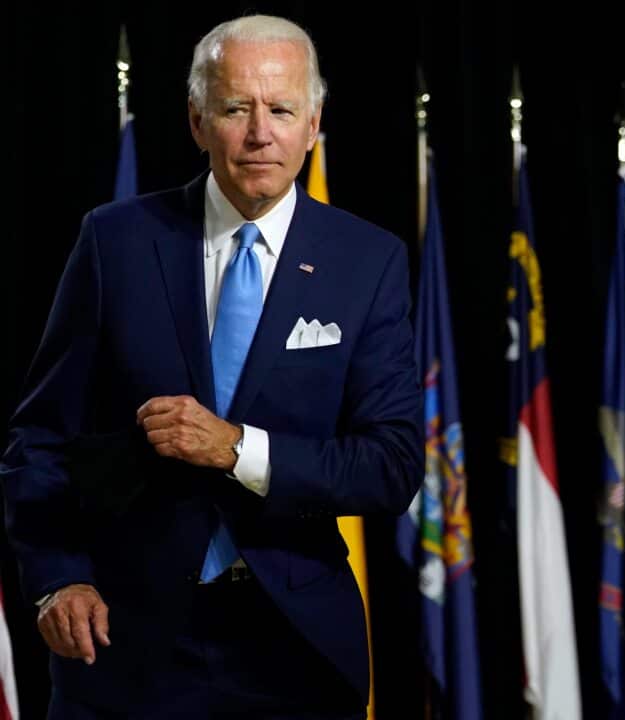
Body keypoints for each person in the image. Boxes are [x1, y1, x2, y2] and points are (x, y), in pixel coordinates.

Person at [0, 15, 422, 718]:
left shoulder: (367, 261)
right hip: (123, 645)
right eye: (235, 108)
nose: (261, 133)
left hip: (294, 649)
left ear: (313, 123)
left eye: (282, 109)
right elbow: (38, 439)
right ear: (197, 121)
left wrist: (236, 449)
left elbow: (392, 465)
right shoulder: (116, 242)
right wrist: (56, 579)